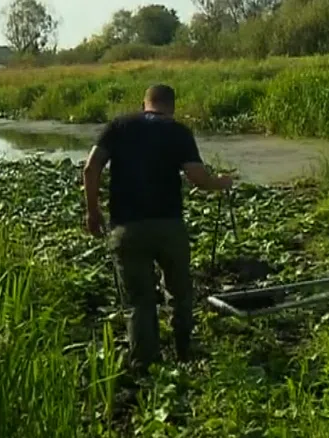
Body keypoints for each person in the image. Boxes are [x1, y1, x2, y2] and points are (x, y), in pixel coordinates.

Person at [82, 84, 233, 373]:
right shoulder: (178, 131)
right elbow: (197, 177)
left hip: (127, 228)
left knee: (139, 301)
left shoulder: (118, 126)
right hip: (169, 226)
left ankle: (145, 366)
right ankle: (184, 353)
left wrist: (93, 210)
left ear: (144, 105)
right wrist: (222, 182)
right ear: (172, 107)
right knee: (180, 293)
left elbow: (91, 169)